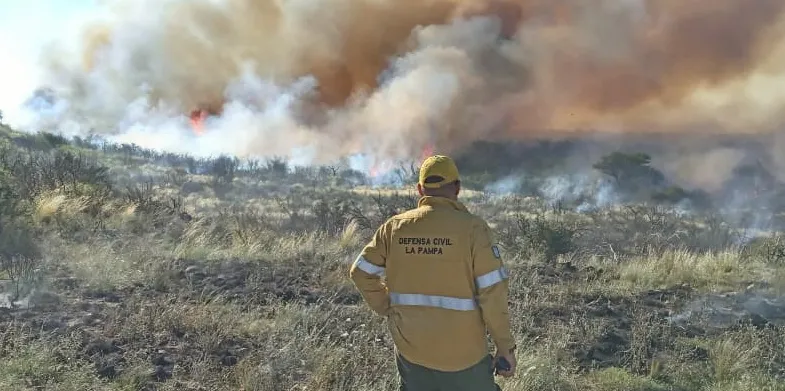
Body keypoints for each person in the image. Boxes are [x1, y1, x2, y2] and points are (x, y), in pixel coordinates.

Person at [349, 155, 516, 390]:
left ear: (420, 190)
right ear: (457, 188)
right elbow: (493, 293)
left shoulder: (394, 228)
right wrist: (504, 347)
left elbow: (360, 272)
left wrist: (386, 306)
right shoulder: (473, 229)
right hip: (465, 355)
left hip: (411, 352)